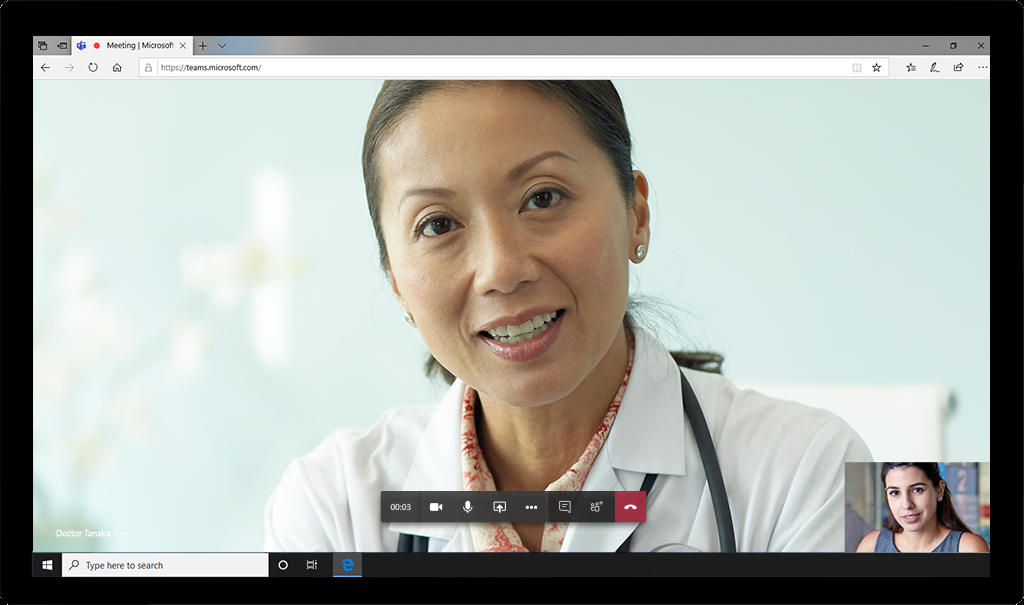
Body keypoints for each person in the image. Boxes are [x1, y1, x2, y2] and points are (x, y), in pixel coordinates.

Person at [264, 80, 872, 553]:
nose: (501, 269)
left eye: (543, 197)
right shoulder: (330, 504)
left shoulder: (814, 471)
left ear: (636, 213)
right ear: (397, 284)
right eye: (439, 225)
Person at [857, 463, 989, 552]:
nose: (906, 504)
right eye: (895, 493)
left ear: (939, 490)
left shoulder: (967, 548)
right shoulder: (872, 546)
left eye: (917, 490)